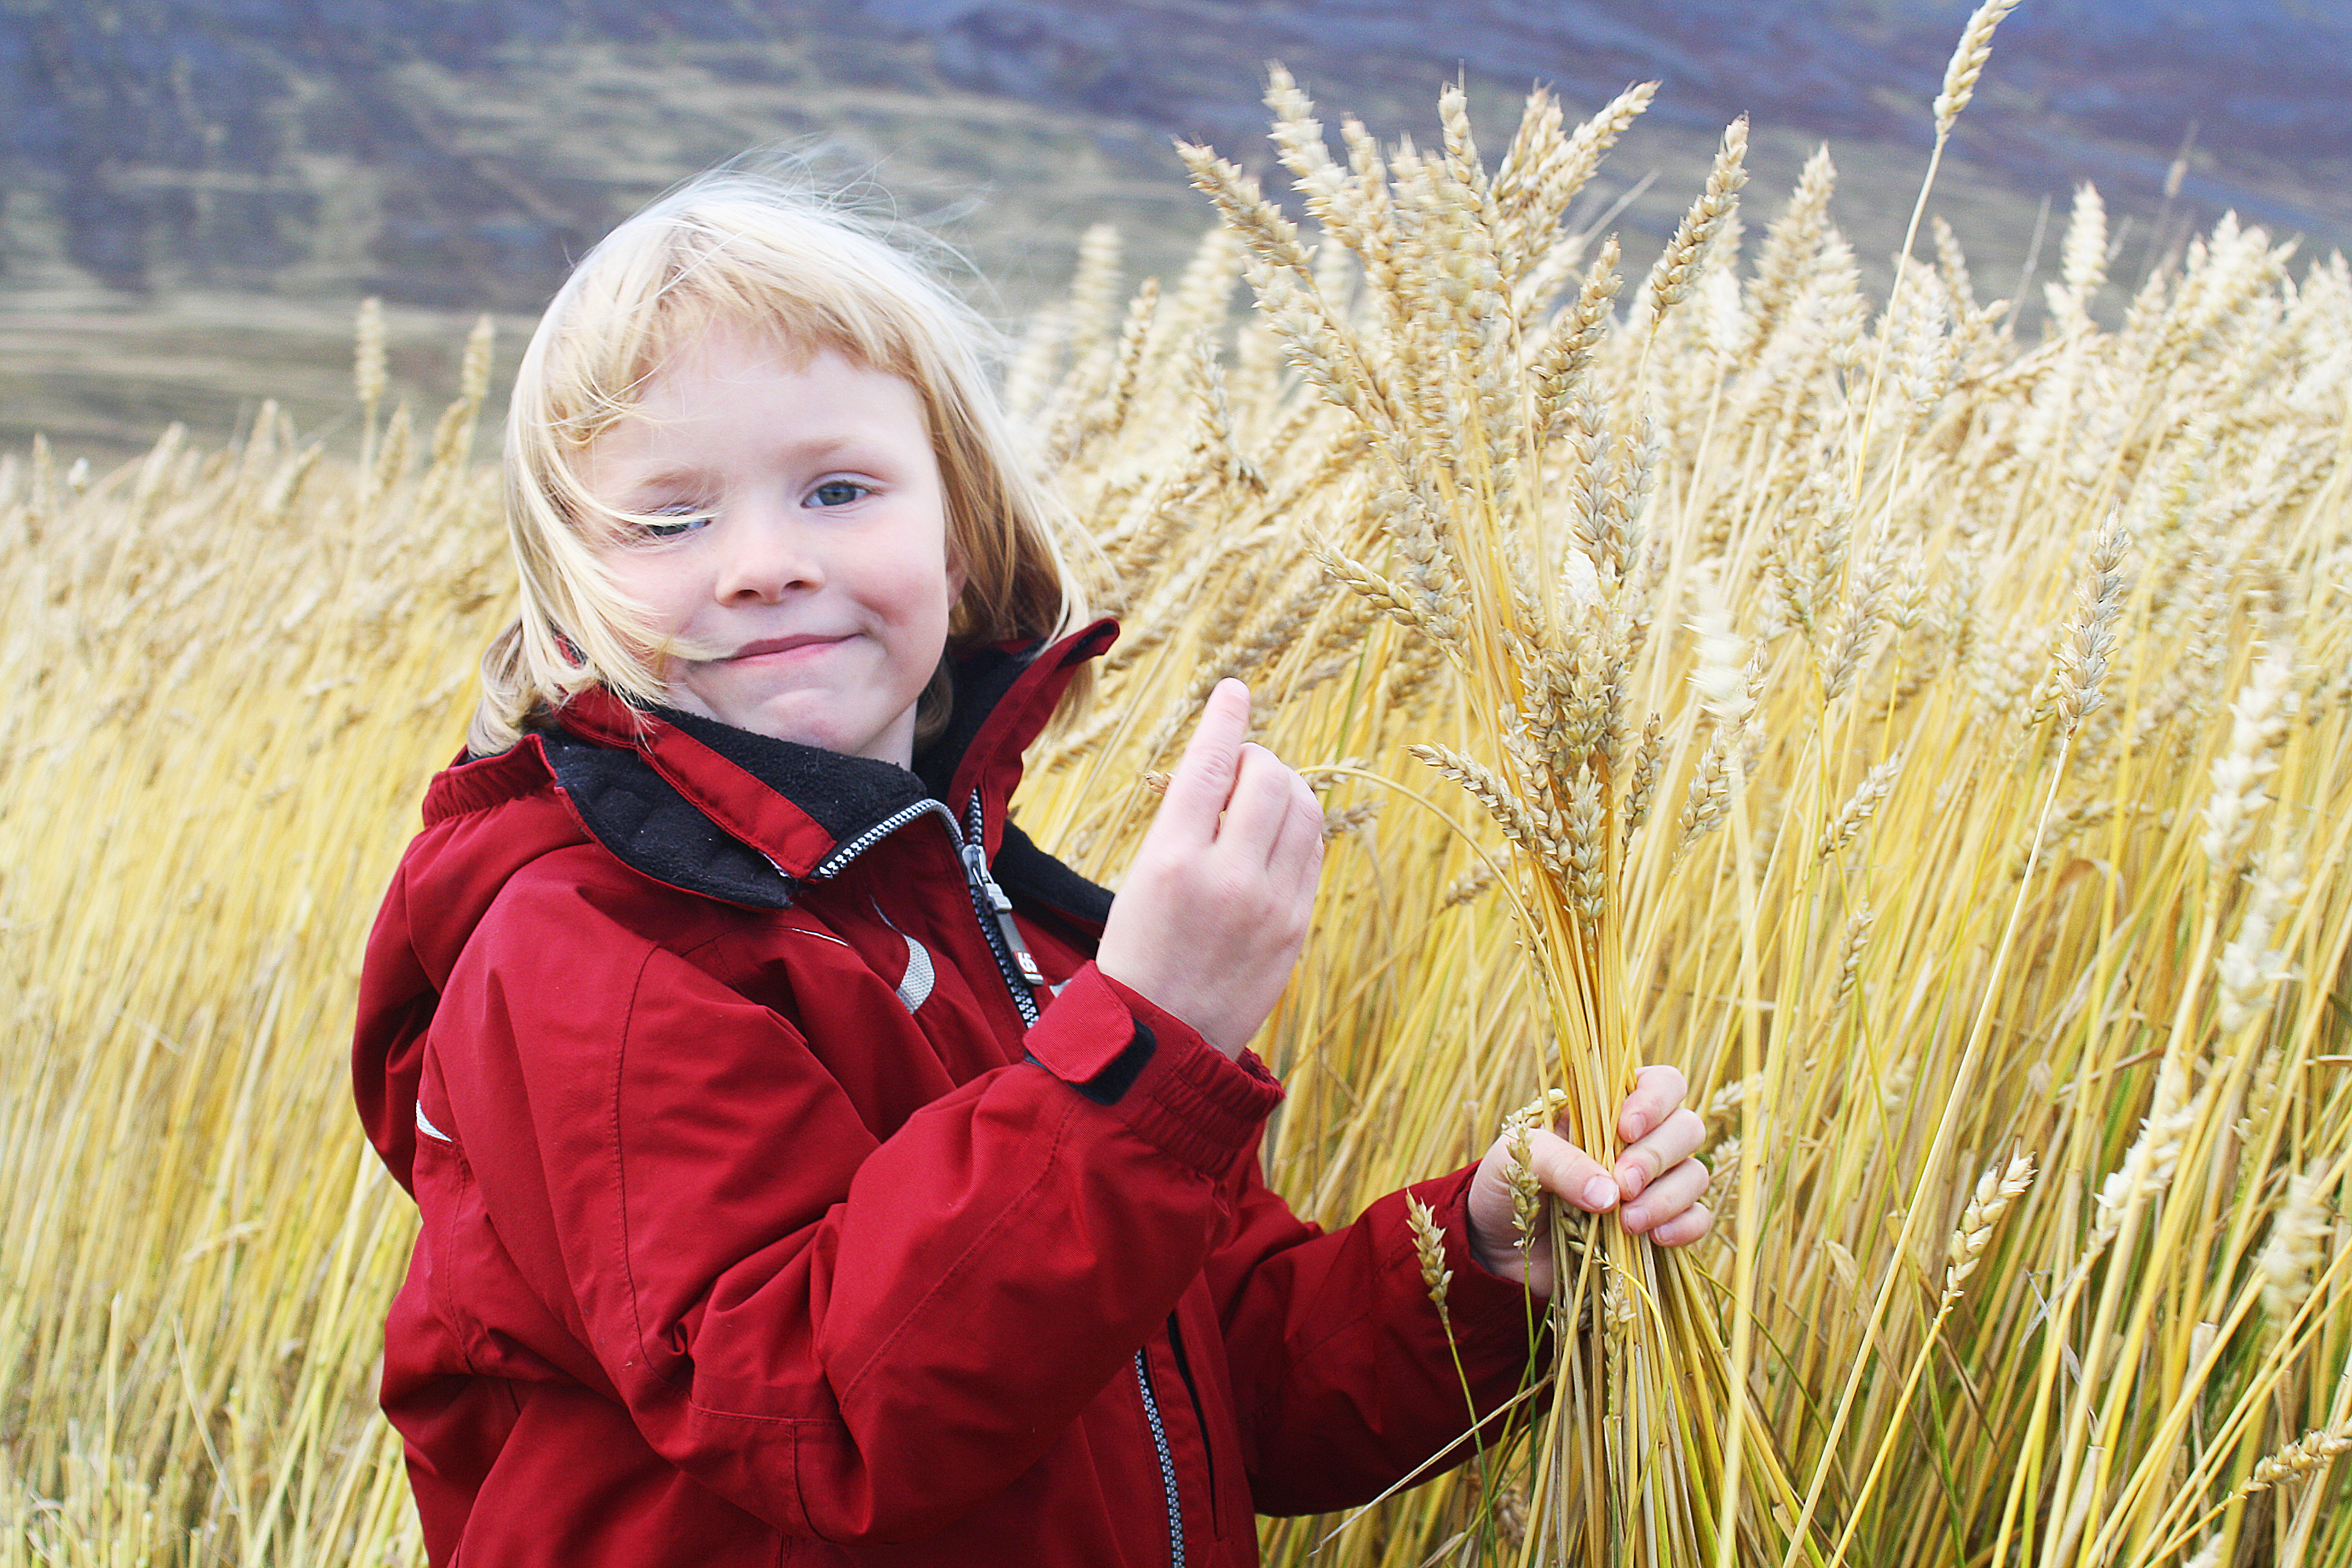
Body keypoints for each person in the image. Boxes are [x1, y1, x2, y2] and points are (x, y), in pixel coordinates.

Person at [351, 172, 1712, 1567]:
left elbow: (1212, 1374)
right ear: (570, 598)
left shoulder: (999, 920)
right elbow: (822, 1410)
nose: (764, 562)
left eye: (837, 488)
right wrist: (1145, 1057)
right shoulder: (589, 953)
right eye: (667, 519)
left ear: (962, 533)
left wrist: (1481, 1263)